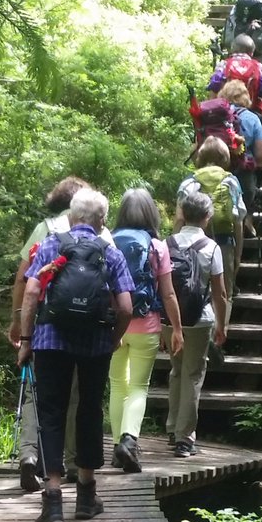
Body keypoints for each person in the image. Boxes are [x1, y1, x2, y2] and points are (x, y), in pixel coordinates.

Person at [18, 188, 134, 522]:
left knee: (51, 413)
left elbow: (32, 291)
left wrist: (26, 340)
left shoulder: (53, 245)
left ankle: (53, 500)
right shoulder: (110, 253)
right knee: (88, 410)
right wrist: (113, 339)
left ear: (71, 216)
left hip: (51, 339)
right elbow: (126, 307)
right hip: (95, 342)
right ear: (101, 222)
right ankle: (86, 496)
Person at [8, 177, 113, 492]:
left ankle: (29, 455)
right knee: (79, 399)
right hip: (91, 334)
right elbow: (118, 295)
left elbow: (25, 282)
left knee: (38, 395)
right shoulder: (104, 235)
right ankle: (72, 464)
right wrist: (112, 335)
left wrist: (19, 326)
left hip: (47, 327)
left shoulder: (45, 230)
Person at [109, 190, 183, 474]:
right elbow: (168, 293)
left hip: (114, 325)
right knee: (138, 386)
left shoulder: (108, 241)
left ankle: (118, 446)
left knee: (117, 385)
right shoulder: (157, 246)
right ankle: (129, 441)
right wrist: (176, 328)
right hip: (147, 325)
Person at [163, 191, 226, 458]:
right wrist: (222, 325)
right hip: (200, 321)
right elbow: (220, 293)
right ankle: (185, 438)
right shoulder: (212, 248)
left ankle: (172, 427)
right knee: (193, 375)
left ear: (182, 214)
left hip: (171, 319)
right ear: (207, 217)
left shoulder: (166, 244)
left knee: (176, 371)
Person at [177, 137, 246, 327]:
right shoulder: (231, 181)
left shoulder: (189, 182)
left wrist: (174, 245)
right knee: (224, 292)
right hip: (224, 244)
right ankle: (218, 335)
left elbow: (179, 219)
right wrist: (238, 254)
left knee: (189, 287)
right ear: (225, 157)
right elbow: (238, 220)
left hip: (190, 245)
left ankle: (191, 332)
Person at [218, 79, 262, 260]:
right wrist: (256, 162)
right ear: (245, 97)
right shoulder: (252, 118)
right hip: (242, 176)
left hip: (215, 173)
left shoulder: (214, 116)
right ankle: (246, 220)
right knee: (239, 216)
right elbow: (261, 154)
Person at [208, 35, 262, 114]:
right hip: (251, 113)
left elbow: (212, 94)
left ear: (232, 49)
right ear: (252, 52)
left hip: (225, 115)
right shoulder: (259, 67)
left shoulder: (224, 65)